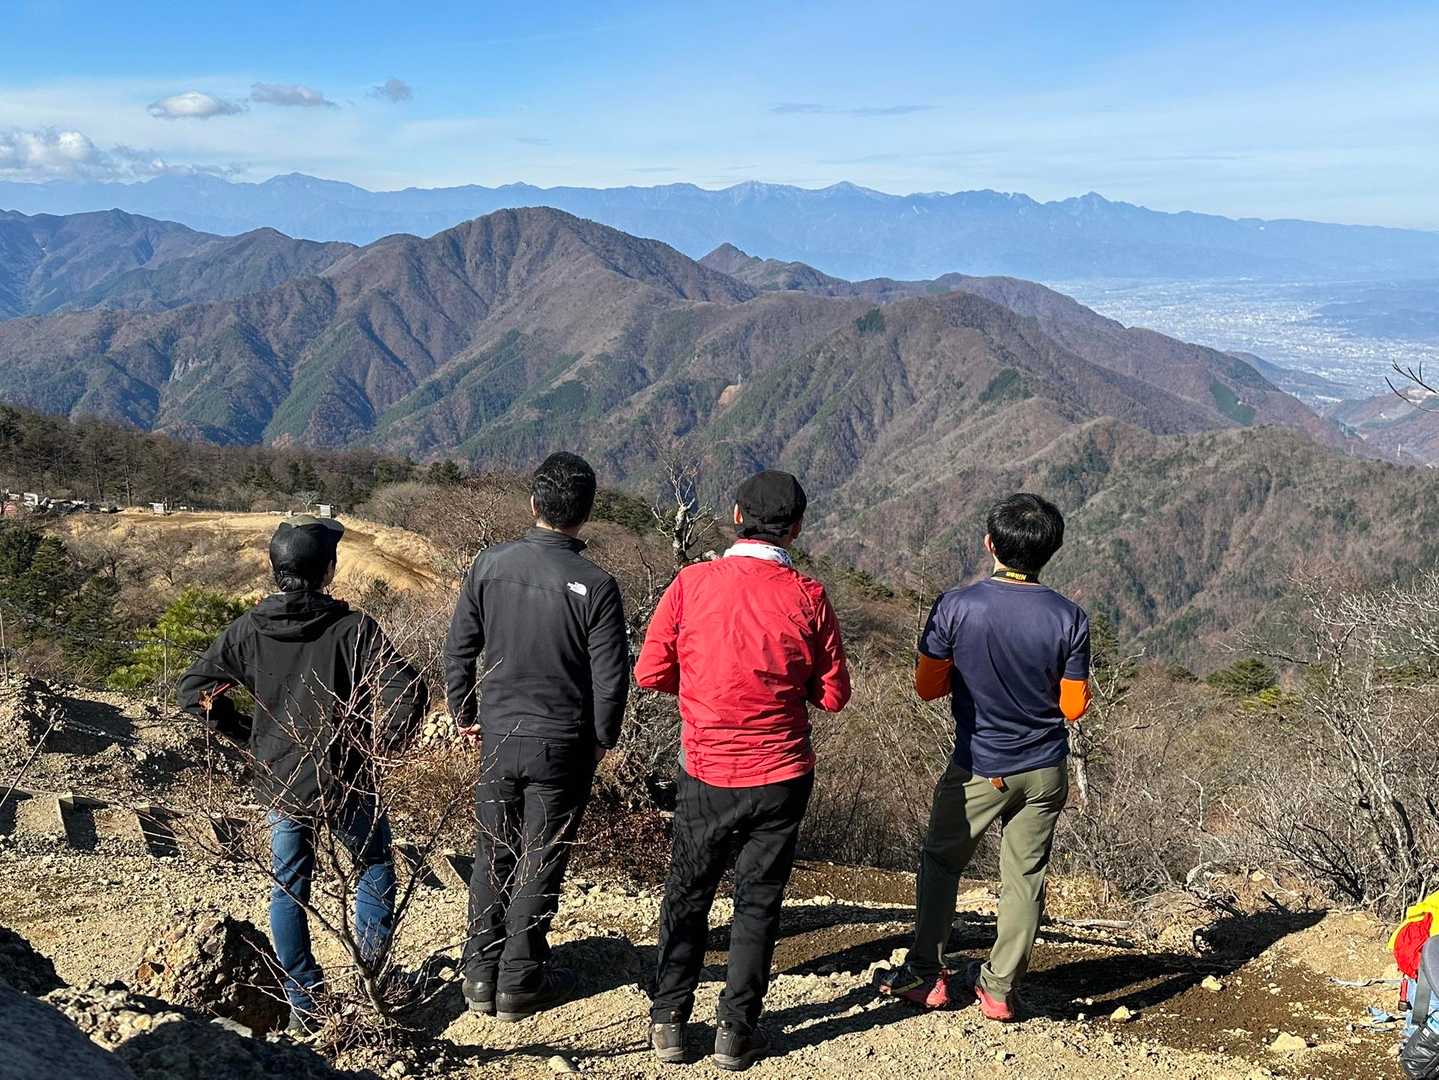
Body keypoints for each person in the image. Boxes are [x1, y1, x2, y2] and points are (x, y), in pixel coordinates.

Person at [177, 514, 428, 1030]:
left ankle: (306, 1004)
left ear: (276, 570)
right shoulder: (352, 628)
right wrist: (379, 748)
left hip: (280, 777)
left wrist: (247, 734)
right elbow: (409, 691)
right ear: (327, 571)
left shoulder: (248, 629)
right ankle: (370, 984)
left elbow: (193, 691)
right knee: (374, 866)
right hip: (347, 776)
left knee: (290, 888)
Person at [637, 470, 851, 1071]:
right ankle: (736, 1031)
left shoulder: (691, 583)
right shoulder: (808, 596)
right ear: (796, 528)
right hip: (781, 771)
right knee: (758, 901)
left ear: (736, 516)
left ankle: (668, 1020)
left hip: (706, 767)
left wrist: (703, 688)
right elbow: (834, 696)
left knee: (688, 891)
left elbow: (650, 672)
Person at [879, 493, 1091, 1020]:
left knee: (941, 862)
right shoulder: (1070, 617)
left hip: (979, 764)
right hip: (1044, 768)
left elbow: (928, 688)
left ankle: (925, 974)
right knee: (1025, 877)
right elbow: (1073, 707)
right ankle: (999, 989)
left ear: (990, 544)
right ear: (1051, 550)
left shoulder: (956, 607)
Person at [444, 451, 629, 1023]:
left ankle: (480, 973)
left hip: (498, 733)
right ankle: (520, 979)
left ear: (534, 503)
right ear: (586, 512)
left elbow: (459, 647)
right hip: (562, 740)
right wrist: (602, 737)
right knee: (542, 855)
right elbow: (610, 676)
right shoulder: (597, 585)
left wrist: (463, 711)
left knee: (492, 850)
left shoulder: (489, 564)